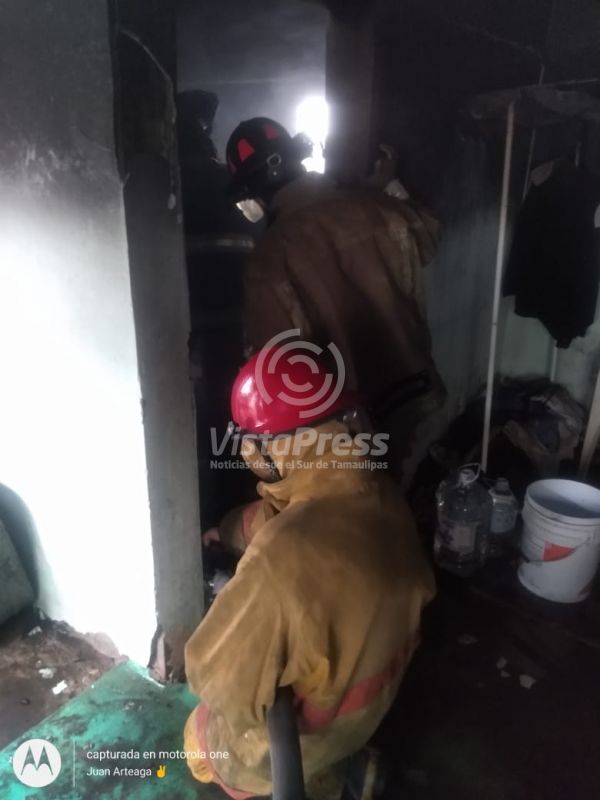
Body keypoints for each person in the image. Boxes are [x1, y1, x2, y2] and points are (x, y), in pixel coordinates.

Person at [184, 346, 435, 798]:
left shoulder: (280, 561)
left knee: (200, 740)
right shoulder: (377, 491)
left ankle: (326, 779)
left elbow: (220, 686)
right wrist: (225, 531)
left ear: (262, 448)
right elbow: (284, 507)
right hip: (374, 705)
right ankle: (349, 765)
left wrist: (235, 600)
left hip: (310, 736)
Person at [225, 117, 446, 481]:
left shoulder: (270, 258)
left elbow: (276, 363)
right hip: (416, 393)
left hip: (354, 424)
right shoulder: (377, 207)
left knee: (367, 508)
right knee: (413, 493)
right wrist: (386, 184)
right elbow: (430, 236)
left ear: (255, 191)